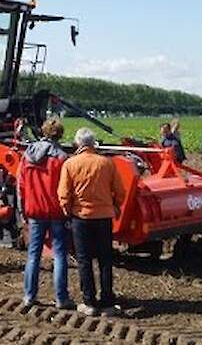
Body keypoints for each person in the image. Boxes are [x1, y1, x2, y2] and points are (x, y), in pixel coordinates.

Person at [58, 127, 126, 317]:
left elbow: (63, 194)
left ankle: (89, 302)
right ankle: (107, 302)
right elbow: (120, 191)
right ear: (93, 143)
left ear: (78, 143)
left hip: (81, 217)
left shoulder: (70, 164)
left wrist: (67, 210)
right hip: (104, 217)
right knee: (105, 259)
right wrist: (116, 206)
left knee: (84, 259)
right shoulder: (107, 163)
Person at [18, 118, 75, 310]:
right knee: (59, 255)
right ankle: (61, 298)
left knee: (33, 254)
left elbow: (21, 185)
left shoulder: (28, 155)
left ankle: (29, 296)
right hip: (56, 211)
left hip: (34, 210)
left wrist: (22, 209)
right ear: (60, 134)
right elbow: (67, 188)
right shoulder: (62, 158)